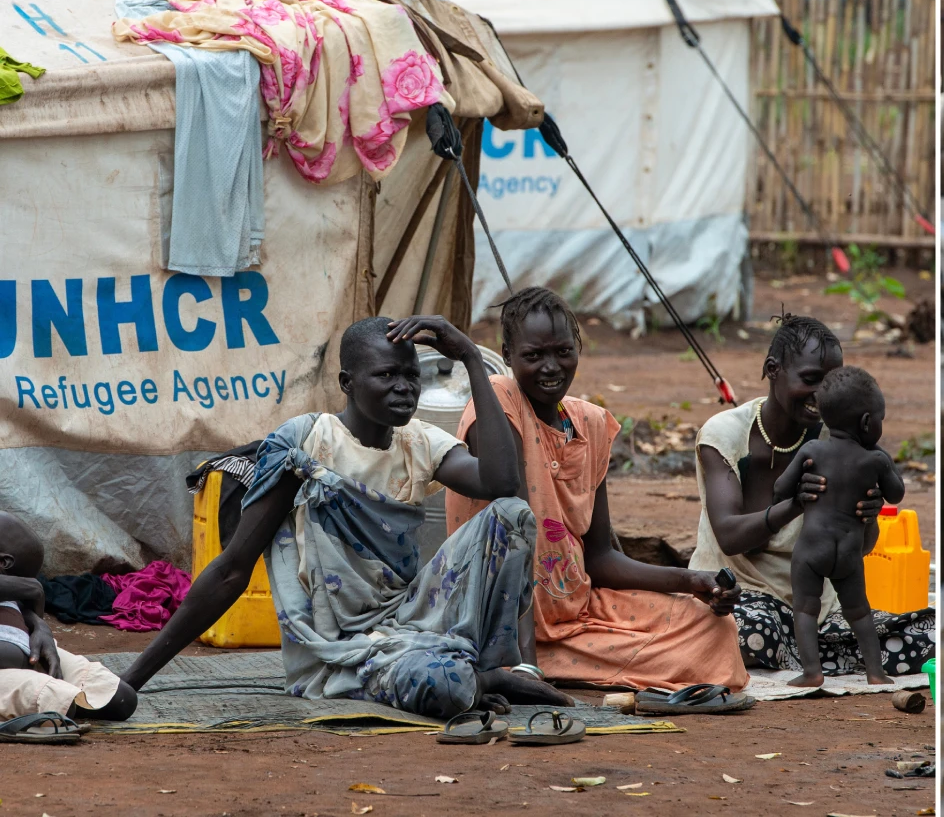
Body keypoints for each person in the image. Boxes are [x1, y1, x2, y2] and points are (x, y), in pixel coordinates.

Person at [121, 315, 568, 719]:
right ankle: (479, 679)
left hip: (409, 619)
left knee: (513, 516)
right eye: (387, 375)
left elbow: (503, 483)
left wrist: (471, 357)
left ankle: (483, 669)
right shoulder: (305, 445)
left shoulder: (420, 442)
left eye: (411, 375)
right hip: (337, 650)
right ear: (347, 382)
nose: (404, 387)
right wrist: (132, 680)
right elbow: (232, 569)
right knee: (444, 685)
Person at [449, 287, 747, 695]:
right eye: (533, 356)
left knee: (714, 627)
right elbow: (509, 515)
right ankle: (523, 665)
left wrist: (689, 578)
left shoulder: (590, 424)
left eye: (563, 352)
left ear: (578, 349)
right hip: (501, 620)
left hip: (578, 613)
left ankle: (558, 663)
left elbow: (600, 557)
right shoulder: (499, 400)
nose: (551, 367)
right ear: (506, 354)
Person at [693, 315, 934, 677]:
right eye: (810, 379)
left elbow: (862, 547)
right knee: (752, 632)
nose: (821, 395)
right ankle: (820, 656)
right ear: (773, 370)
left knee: (928, 634)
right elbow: (730, 537)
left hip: (819, 607)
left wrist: (866, 516)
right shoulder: (725, 435)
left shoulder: (840, 442)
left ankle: (813, 656)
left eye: (831, 381)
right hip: (741, 597)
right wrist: (794, 505)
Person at [771, 365, 904, 687]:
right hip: (849, 551)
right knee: (859, 612)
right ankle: (875, 673)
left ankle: (812, 672)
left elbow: (780, 490)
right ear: (867, 422)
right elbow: (896, 494)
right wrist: (880, 459)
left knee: (804, 609)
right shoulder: (875, 460)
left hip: (810, 549)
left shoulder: (812, 451)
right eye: (880, 419)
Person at [0, 512, 137, 725]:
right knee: (58, 702)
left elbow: (17, 600)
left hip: (23, 647)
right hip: (11, 657)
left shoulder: (14, 590)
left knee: (121, 698)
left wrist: (39, 624)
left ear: (3, 562)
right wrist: (32, 589)